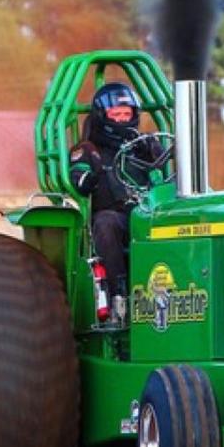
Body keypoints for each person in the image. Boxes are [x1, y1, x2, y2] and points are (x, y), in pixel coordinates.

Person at [68, 82, 163, 300]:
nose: (122, 118)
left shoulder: (145, 145)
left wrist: (152, 152)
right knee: (105, 222)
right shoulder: (88, 149)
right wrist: (86, 179)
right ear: (103, 115)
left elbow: (167, 172)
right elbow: (78, 176)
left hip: (150, 212)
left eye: (126, 113)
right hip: (116, 217)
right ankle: (119, 295)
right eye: (116, 113)